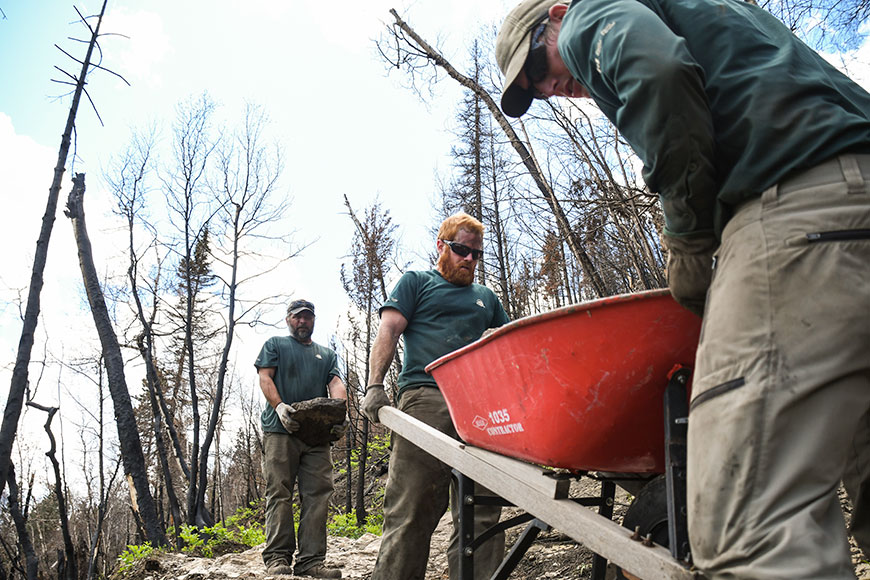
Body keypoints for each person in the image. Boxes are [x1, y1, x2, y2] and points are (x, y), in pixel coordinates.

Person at [495, 0, 870, 577]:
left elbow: (658, 72)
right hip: (851, 198)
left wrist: (689, 239)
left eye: (538, 67)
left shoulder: (591, 14)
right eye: (537, 89)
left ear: (557, 14)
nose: (550, 86)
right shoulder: (715, 17)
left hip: (799, 207)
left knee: (749, 512)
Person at [361, 212, 511, 580]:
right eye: (462, 250)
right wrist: (374, 386)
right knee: (413, 505)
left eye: (477, 254)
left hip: (481, 407)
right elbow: (389, 330)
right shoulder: (416, 282)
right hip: (427, 397)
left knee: (483, 509)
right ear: (442, 245)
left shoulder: (486, 298)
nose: (469, 260)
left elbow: (507, 350)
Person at [255, 299, 348, 579]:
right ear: (288, 319)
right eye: (297, 317)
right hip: (280, 430)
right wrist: (280, 406)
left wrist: (340, 416)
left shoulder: (326, 354)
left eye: (307, 317)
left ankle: (311, 561)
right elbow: (265, 377)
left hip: (317, 435)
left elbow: (336, 384)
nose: (302, 321)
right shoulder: (275, 345)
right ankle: (277, 558)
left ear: (314, 320)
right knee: (279, 492)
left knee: (319, 495)